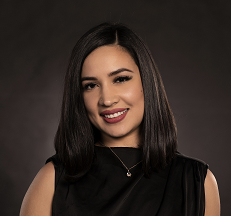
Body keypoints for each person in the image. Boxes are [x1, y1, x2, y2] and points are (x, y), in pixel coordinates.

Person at [20, 23, 220, 216]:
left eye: (121, 79)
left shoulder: (197, 182)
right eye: (91, 85)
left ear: (147, 82)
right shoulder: (52, 180)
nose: (107, 99)